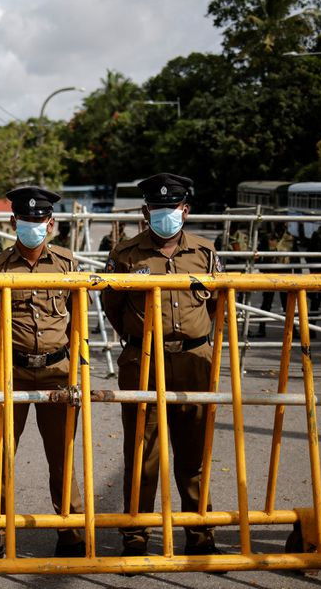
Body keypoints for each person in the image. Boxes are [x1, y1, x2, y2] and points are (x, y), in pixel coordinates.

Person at [102, 172, 224, 558]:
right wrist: (141, 339)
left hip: (195, 361)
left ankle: (199, 535)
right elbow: (113, 307)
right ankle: (136, 536)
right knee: (142, 454)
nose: (164, 214)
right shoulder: (125, 254)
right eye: (157, 208)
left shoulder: (205, 253)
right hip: (144, 360)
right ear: (145, 211)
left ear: (184, 210)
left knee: (194, 454)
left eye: (171, 208)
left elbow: (218, 304)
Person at [0, 186, 85, 559]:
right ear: (13, 221)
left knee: (62, 454)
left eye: (40, 219)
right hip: (10, 372)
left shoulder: (68, 265)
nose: (33, 225)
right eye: (26, 219)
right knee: (0, 456)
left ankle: (71, 531)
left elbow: (79, 319)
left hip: (58, 371)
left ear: (50, 223)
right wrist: (10, 353)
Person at [251, 222, 297, 338]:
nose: (282, 226)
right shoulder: (268, 238)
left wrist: (298, 275)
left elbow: (295, 257)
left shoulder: (290, 239)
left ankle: (292, 330)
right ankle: (262, 329)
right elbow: (258, 254)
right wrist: (262, 267)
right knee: (266, 303)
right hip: (270, 275)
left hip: (285, 275)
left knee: (287, 304)